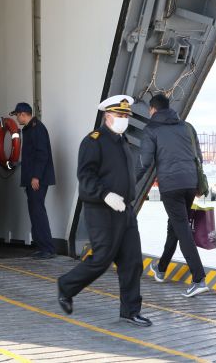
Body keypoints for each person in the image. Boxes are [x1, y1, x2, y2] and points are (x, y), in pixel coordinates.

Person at [57, 95, 151, 327]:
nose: (124, 119)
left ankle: (130, 311)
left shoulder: (122, 141)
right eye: (120, 115)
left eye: (126, 116)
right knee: (101, 259)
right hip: (102, 211)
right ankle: (66, 286)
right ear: (107, 116)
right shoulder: (93, 141)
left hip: (125, 211)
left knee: (132, 261)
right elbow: (85, 176)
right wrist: (105, 194)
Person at [136, 93, 208, 297]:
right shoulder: (186, 126)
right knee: (175, 227)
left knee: (182, 229)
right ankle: (161, 268)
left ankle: (199, 278)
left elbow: (145, 162)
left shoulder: (152, 129)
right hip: (190, 184)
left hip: (170, 186)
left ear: (153, 109)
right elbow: (198, 156)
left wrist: (130, 182)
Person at [11, 102, 56, 259]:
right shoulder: (30, 129)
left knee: (38, 212)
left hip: (38, 179)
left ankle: (47, 248)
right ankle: (41, 245)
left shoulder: (37, 128)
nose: (17, 118)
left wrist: (36, 176)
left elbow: (42, 154)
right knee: (34, 211)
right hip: (31, 179)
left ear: (23, 114)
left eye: (17, 115)